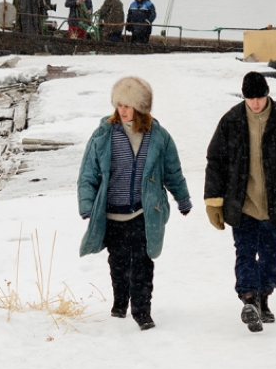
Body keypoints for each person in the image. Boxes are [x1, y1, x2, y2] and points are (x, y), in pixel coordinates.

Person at [204, 71, 276, 333]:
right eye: (250, 98)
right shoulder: (231, 121)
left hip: (275, 204)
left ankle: (264, 297)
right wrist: (213, 201)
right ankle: (250, 301)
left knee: (268, 256)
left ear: (267, 94)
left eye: (259, 97)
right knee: (244, 253)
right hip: (241, 203)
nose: (255, 103)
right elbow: (216, 162)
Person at [78, 76, 192, 331]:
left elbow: (173, 171)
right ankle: (120, 301)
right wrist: (87, 204)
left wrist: (182, 198)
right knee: (118, 262)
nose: (123, 111)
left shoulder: (158, 137)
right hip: (113, 214)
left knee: (142, 263)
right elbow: (88, 172)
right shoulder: (104, 135)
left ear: (141, 107)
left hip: (145, 212)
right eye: (119, 105)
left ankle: (142, 312)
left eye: (128, 105)